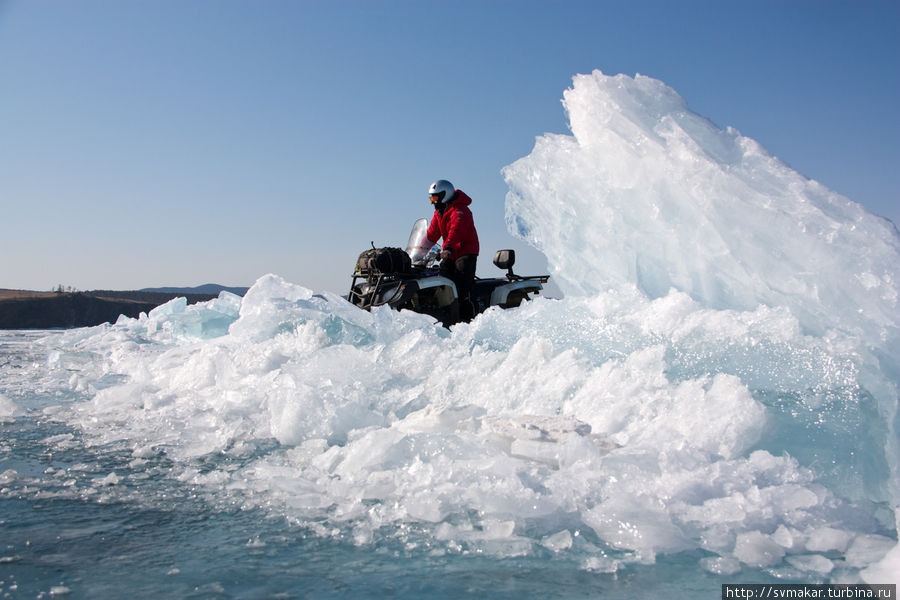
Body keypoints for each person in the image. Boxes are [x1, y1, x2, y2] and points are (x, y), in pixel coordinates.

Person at [424, 179, 480, 322]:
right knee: (442, 279)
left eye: (435, 197)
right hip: (450, 252)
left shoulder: (461, 210)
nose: (433, 201)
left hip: (465, 251)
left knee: (463, 286)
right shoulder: (439, 213)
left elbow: (456, 231)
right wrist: (420, 250)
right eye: (431, 198)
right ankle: (448, 317)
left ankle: (471, 320)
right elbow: (431, 235)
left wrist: (447, 248)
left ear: (445, 194)